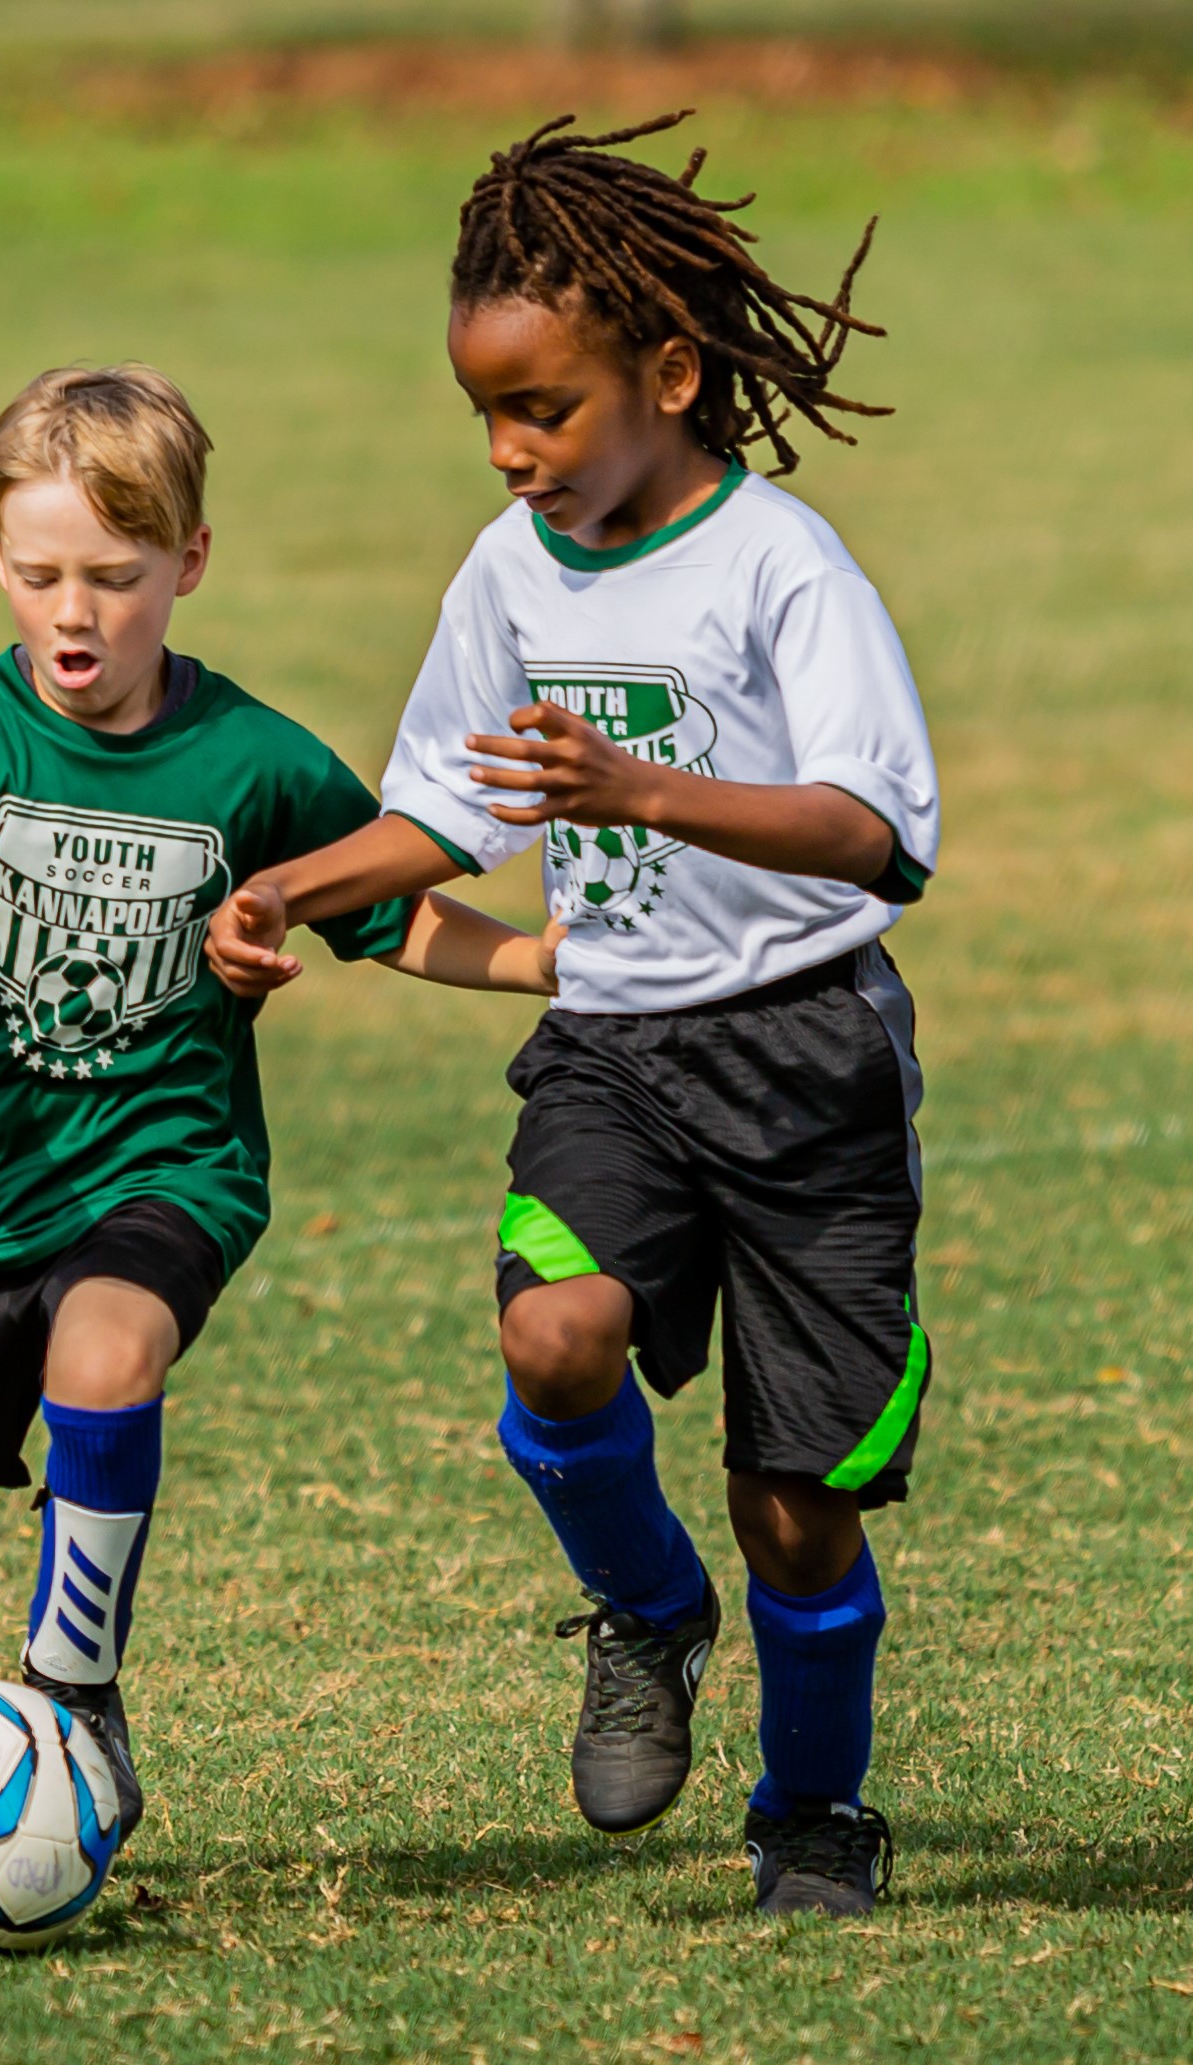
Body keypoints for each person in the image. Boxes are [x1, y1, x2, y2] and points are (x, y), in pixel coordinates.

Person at [205, 114, 939, 1918]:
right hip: (613, 1048)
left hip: (806, 1056)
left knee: (801, 1506)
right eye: (488, 415)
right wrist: (304, 884)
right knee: (556, 1339)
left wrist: (646, 789)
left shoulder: (782, 563)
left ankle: (816, 1817)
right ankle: (647, 1604)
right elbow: (446, 804)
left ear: (669, 374)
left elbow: (882, 834)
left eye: (546, 408)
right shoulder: (506, 573)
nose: (514, 452)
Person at [0, 362, 557, 1874]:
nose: (75, 613)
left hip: (164, 1161)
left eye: (116, 578)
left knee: (111, 1343)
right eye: (39, 573)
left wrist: (541, 960)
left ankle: (74, 1690)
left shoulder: (254, 761)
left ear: (189, 563)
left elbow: (391, 915)